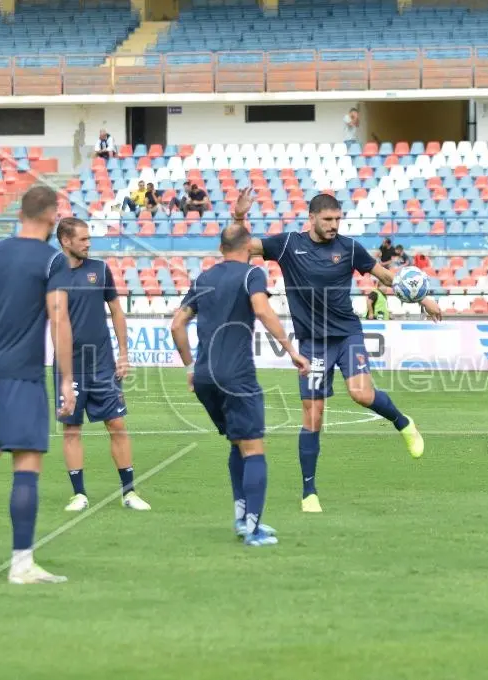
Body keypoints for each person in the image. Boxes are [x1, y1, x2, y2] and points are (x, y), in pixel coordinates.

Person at [232, 189, 442, 513]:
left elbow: (384, 275)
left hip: (347, 334)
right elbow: (244, 245)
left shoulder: (349, 247)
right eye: (328, 220)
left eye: (338, 220)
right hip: (312, 342)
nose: (333, 226)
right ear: (311, 218)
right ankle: (309, 493)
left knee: (361, 394)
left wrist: (422, 297)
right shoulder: (288, 244)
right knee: (313, 418)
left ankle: (403, 423)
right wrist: (239, 217)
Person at [171, 224, 310, 546]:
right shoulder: (252, 275)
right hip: (236, 375)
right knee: (253, 448)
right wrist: (292, 351)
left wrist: (191, 367)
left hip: (205, 376)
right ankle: (253, 527)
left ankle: (241, 517)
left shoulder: (203, 279)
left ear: (221, 248)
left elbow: (177, 324)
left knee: (238, 444)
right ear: (248, 246)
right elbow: (261, 309)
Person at [0, 186, 76, 584]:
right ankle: (22, 565)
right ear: (53, 215)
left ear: (20, 213)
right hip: (20, 376)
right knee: (27, 464)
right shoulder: (53, 258)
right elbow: (59, 318)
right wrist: (68, 379)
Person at [54, 217, 150, 513]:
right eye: (82, 239)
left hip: (103, 364)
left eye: (88, 238)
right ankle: (78, 494)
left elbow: (117, 312)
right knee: (71, 429)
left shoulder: (100, 269)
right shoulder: (51, 274)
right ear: (65, 241)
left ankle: (129, 492)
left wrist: (123, 353)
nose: (88, 244)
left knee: (117, 424)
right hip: (69, 366)